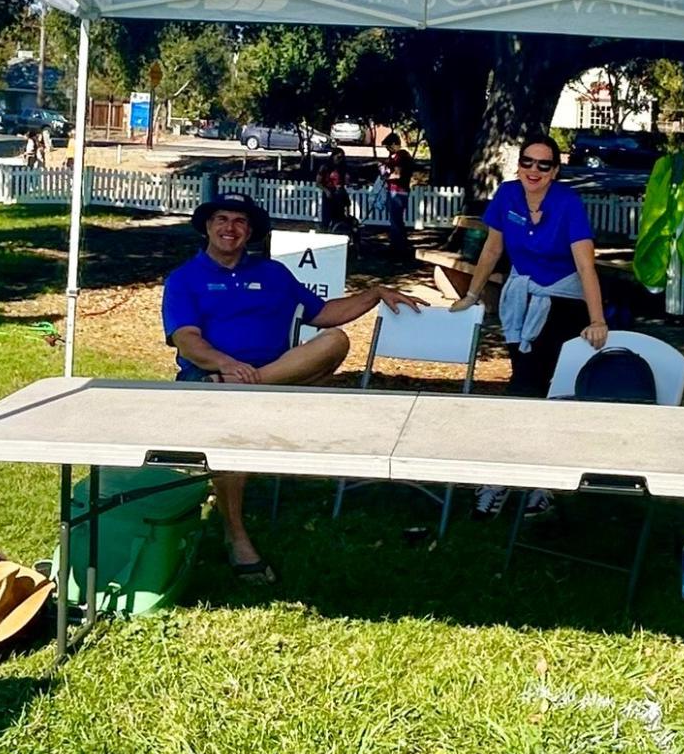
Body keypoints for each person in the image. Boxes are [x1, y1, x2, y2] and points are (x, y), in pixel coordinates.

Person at [163, 191, 422, 583]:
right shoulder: (185, 279)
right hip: (209, 378)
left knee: (336, 340)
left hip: (267, 376)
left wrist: (373, 293)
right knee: (231, 432)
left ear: (250, 231)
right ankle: (237, 537)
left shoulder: (273, 274)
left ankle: (249, 390)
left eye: (240, 221)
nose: (230, 228)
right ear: (207, 227)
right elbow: (187, 341)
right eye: (222, 219)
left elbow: (323, 315)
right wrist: (227, 364)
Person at [452, 134, 609, 515]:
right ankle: (539, 481)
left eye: (543, 165)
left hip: (562, 301)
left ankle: (504, 479)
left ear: (555, 171)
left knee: (529, 387)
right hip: (521, 302)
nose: (533, 170)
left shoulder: (567, 203)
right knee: (533, 388)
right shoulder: (507, 195)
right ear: (518, 165)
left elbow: (586, 264)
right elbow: (492, 249)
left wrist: (597, 320)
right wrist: (472, 295)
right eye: (527, 162)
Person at [381, 134, 417, 255]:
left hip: (397, 191)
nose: (387, 150)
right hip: (400, 191)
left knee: (395, 219)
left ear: (394, 145)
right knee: (397, 219)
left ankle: (398, 246)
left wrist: (386, 176)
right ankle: (399, 244)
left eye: (388, 147)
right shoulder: (399, 157)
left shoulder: (400, 157)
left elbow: (397, 174)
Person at [317, 146, 353, 236]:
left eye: (342, 158)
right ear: (333, 156)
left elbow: (346, 183)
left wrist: (347, 180)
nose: (339, 160)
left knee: (340, 216)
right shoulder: (325, 167)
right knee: (327, 217)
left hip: (340, 193)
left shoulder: (343, 168)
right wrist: (326, 190)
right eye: (338, 157)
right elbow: (318, 183)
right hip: (329, 193)